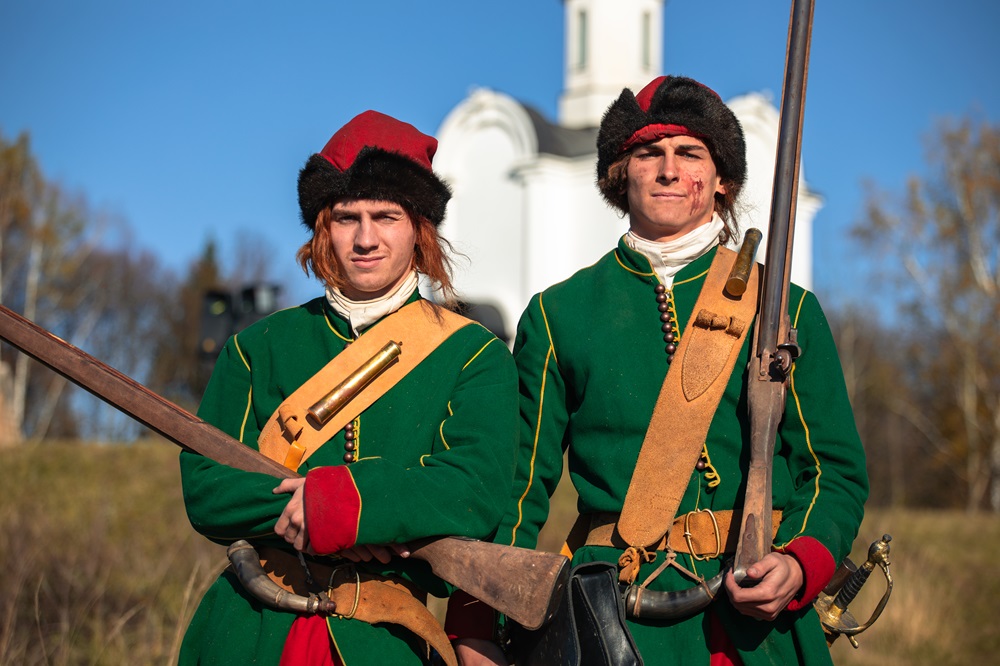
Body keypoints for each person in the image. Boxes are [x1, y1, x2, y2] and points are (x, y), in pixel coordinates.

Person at [453, 75, 869, 665]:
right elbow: (517, 489)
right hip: (612, 616)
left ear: (721, 179)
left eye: (689, 153)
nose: (669, 170)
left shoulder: (784, 308)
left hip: (753, 623)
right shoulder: (558, 314)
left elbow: (834, 470)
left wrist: (800, 563)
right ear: (622, 176)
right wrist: (479, 622)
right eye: (649, 153)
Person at [178, 110, 519, 666]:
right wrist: (314, 512)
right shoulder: (256, 347)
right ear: (322, 230)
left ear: (419, 228)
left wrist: (344, 505)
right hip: (249, 631)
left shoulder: (473, 354)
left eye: (386, 216)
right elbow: (209, 487)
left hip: (387, 636)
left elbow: (473, 492)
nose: (365, 238)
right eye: (346, 218)